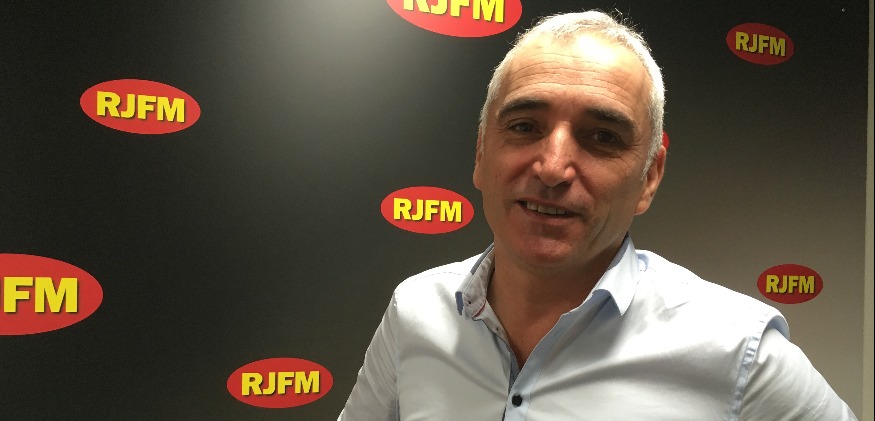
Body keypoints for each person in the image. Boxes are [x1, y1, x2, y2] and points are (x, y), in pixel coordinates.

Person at [339, 10, 857, 421]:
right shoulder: (414, 313)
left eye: (602, 136)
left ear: (650, 176)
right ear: (480, 153)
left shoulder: (738, 352)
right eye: (524, 126)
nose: (552, 167)